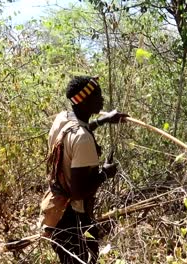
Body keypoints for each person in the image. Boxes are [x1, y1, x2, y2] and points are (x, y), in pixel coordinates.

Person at [39, 75, 128, 264]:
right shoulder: (83, 139)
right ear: (84, 101)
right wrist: (105, 173)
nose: (102, 100)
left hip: (56, 210)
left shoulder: (63, 118)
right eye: (98, 96)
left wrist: (104, 121)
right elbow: (78, 192)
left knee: (90, 251)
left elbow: (80, 128)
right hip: (71, 217)